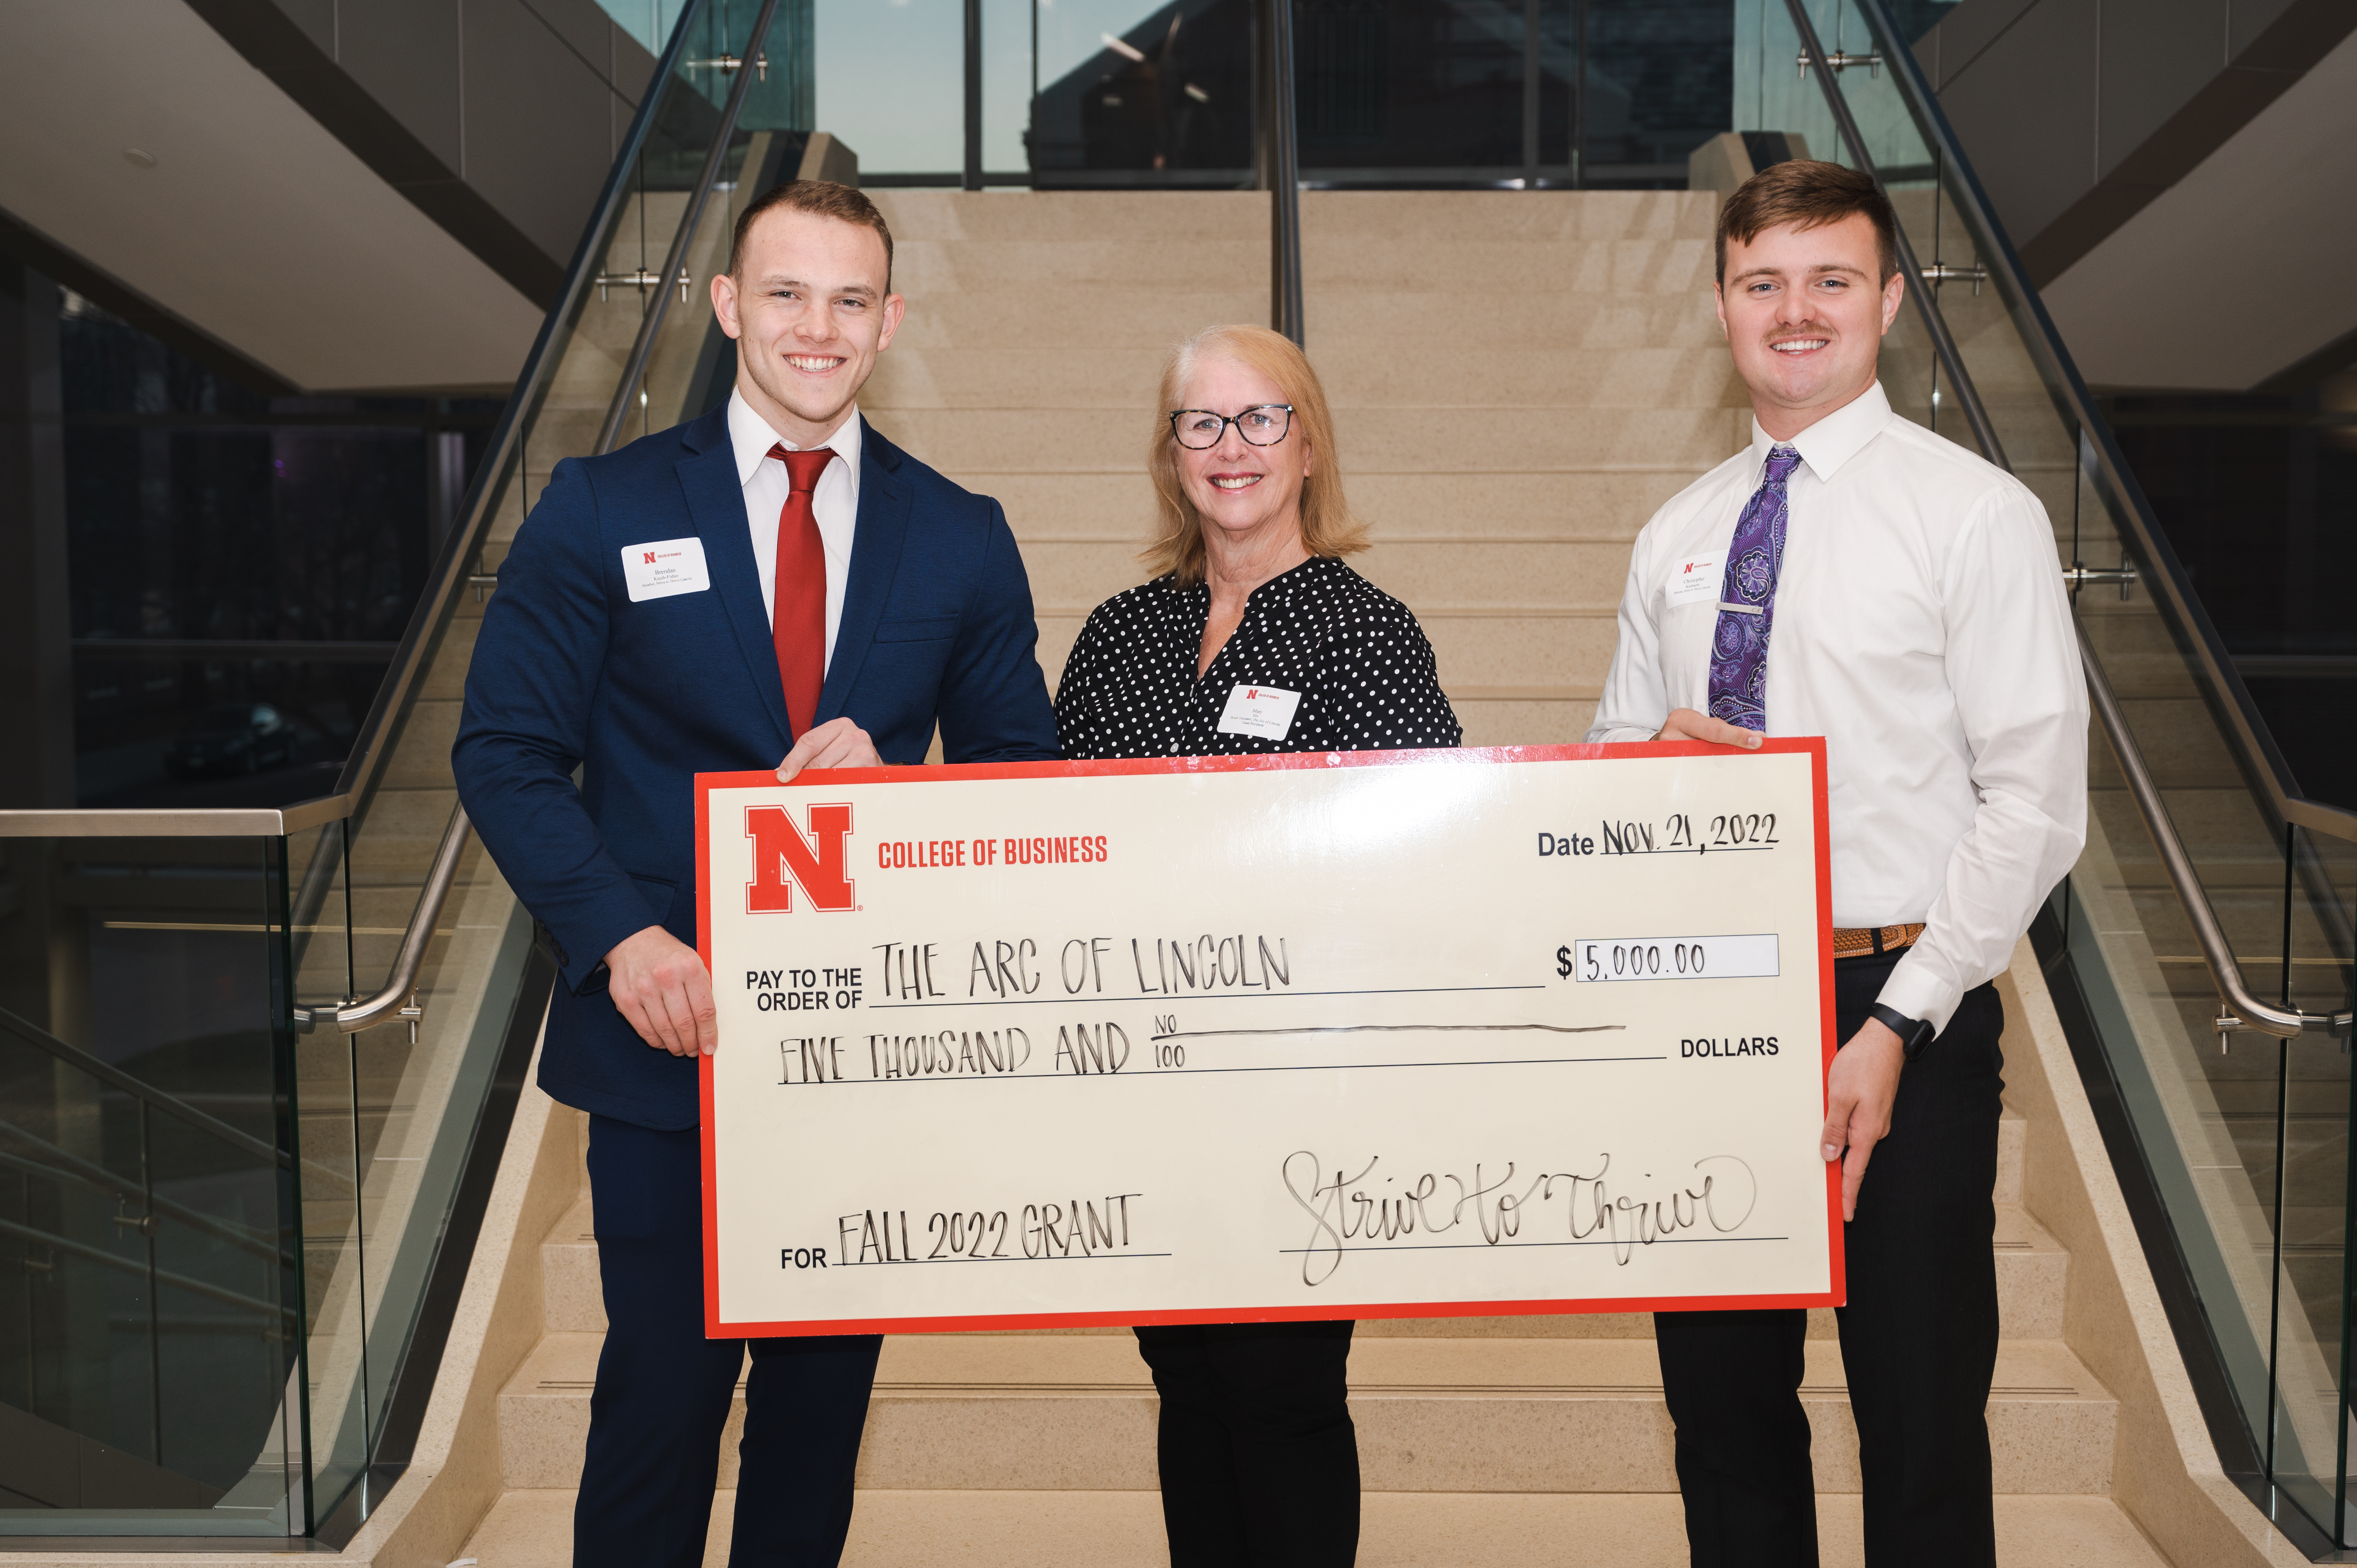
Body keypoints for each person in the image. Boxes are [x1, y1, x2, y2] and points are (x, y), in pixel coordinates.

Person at [452, 180, 1058, 1568]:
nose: (817, 327)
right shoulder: (600, 509)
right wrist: (620, 942)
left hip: (861, 1052)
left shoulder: (957, 532)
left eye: (851, 299)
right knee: (659, 1407)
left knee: (816, 1421)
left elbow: (1021, 775)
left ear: (890, 321)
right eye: (786, 292)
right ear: (728, 306)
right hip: (667, 1035)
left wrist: (903, 798)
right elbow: (505, 754)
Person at [1584, 160, 2087, 1566]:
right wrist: (1642, 768)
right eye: (1763, 283)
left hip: (1903, 1015)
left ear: (1889, 300)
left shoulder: (1976, 515)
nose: (1794, 312)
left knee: (1921, 1424)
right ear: (1723, 305)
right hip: (1710, 1013)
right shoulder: (1677, 533)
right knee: (1724, 1413)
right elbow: (1609, 753)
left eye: (1830, 280)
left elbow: (2034, 805)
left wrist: (1896, 1020)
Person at [1055, 323, 1461, 1566]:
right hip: (1146, 1085)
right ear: (1171, 454)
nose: (1233, 449)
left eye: (1262, 419)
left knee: (1282, 1394)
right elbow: (1045, 842)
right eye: (1203, 424)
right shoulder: (1120, 634)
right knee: (1185, 1385)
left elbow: (1428, 865)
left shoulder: (1365, 633)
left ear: (1309, 440)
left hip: (1302, 1094)